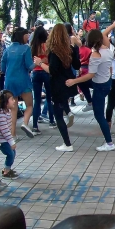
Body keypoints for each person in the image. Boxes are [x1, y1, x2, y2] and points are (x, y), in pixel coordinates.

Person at [70, 21, 115, 152]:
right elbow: (103, 34)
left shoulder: (95, 55)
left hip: (99, 86)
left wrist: (74, 81)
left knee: (99, 116)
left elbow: (90, 75)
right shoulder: (109, 49)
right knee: (82, 82)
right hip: (107, 82)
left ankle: (109, 143)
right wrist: (114, 25)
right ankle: (90, 101)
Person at [36, 23, 78, 151]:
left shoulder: (54, 51)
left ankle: (67, 144)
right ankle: (67, 140)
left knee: (58, 114)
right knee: (61, 109)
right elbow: (76, 65)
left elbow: (52, 70)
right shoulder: (70, 48)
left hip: (58, 85)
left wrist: (40, 63)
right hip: (68, 84)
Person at [1, 27, 34, 138]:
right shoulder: (26, 49)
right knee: (29, 105)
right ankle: (25, 123)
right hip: (23, 80)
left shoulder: (7, 49)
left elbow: (2, 68)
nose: (28, 37)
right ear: (22, 36)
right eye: (27, 35)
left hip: (9, 81)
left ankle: (12, 135)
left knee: (12, 109)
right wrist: (38, 63)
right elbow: (29, 66)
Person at [30, 26, 54, 132]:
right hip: (46, 71)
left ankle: (35, 125)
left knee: (37, 100)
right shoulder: (47, 45)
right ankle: (52, 121)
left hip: (35, 72)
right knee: (49, 98)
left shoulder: (33, 46)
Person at [0, 90, 18, 178]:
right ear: (6, 102)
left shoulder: (7, 111)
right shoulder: (1, 114)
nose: (14, 101)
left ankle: (7, 169)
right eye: (12, 99)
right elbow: (4, 130)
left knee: (12, 153)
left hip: (5, 139)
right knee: (10, 154)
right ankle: (6, 171)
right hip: (1, 140)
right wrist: (11, 142)